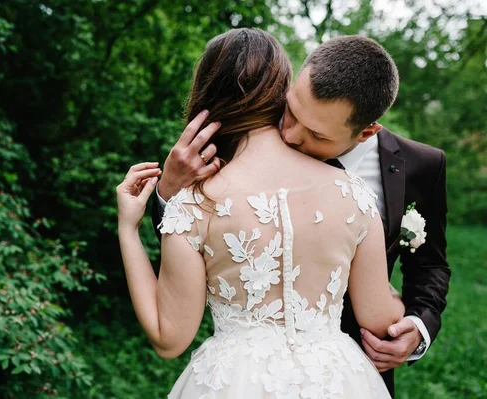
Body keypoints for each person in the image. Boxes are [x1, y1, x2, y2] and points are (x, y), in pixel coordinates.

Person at [151, 34, 451, 397]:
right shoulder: (236, 144)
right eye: (291, 110)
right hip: (243, 377)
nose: (290, 135)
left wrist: (417, 326)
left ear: (366, 132)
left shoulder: (423, 166)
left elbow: (430, 264)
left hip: (347, 375)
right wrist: (167, 194)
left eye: (316, 135)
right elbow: (195, 242)